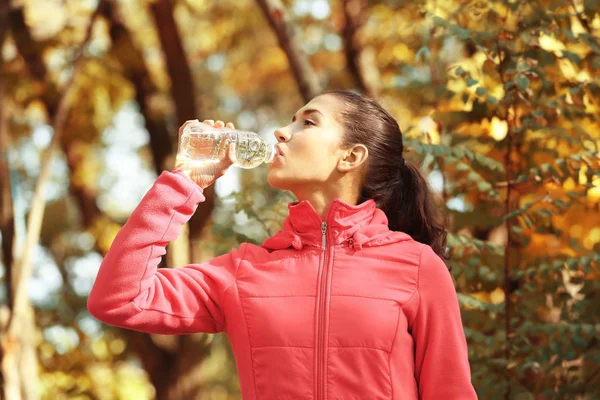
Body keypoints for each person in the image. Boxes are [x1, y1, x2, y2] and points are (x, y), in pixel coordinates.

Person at [88, 89, 478, 399]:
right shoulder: (243, 272)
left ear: (351, 156)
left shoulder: (416, 267)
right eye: (291, 119)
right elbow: (119, 298)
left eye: (308, 122)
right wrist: (185, 181)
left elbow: (450, 392)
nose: (282, 131)